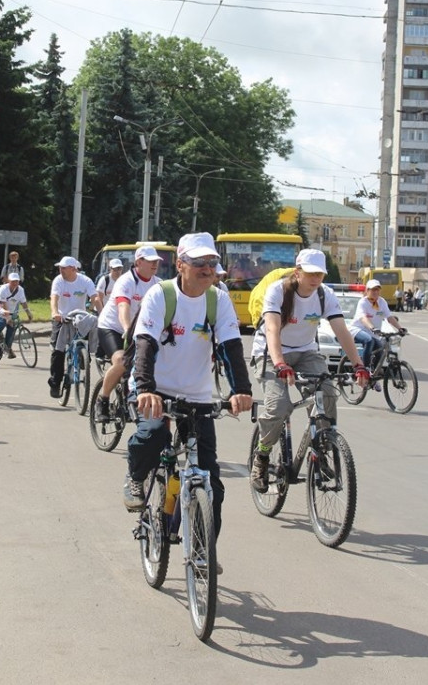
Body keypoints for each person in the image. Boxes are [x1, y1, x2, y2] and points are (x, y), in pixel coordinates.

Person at [123, 232, 253, 562]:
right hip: (155, 387)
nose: (207, 269)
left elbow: (230, 347)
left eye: (212, 262)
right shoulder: (161, 295)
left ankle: (201, 552)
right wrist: (145, 388)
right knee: (153, 434)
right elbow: (145, 344)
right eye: (199, 262)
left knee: (211, 481)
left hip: (196, 394)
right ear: (181, 265)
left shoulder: (218, 300)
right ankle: (136, 477)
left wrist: (242, 390)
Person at [249, 248, 369, 494]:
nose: (316, 279)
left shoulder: (325, 295)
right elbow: (272, 329)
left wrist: (358, 365)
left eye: (320, 274)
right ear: (298, 272)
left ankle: (322, 447)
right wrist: (280, 363)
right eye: (311, 273)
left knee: (327, 393)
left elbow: (341, 330)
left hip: (305, 352)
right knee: (279, 406)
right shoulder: (278, 291)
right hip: (271, 353)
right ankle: (262, 456)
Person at [95, 247, 162, 422]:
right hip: (113, 327)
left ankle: (130, 398)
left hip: (139, 331)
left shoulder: (158, 284)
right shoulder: (126, 281)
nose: (155, 264)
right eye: (150, 261)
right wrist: (127, 328)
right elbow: (123, 307)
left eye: (156, 261)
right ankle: (103, 400)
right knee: (121, 361)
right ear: (138, 262)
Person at [49, 256, 101, 398]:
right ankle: (55, 383)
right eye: (60, 268)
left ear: (73, 269)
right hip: (62, 317)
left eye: (64, 268)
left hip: (79, 317)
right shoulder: (58, 281)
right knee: (57, 351)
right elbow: (54, 298)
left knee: (90, 329)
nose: (61, 270)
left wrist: (102, 314)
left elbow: (95, 297)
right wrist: (55, 313)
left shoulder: (85, 281)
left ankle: (84, 357)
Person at [349, 278, 405, 373]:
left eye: (377, 289)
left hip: (373, 332)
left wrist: (400, 328)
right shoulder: (363, 302)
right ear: (367, 291)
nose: (375, 292)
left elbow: (389, 317)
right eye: (373, 290)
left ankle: (373, 373)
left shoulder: (382, 302)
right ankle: (364, 370)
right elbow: (363, 318)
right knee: (369, 341)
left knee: (380, 349)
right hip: (358, 329)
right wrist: (373, 328)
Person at [0, 273, 33, 358]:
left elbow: (23, 302)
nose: (15, 283)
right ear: (9, 281)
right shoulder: (3, 289)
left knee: (12, 329)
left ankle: (8, 348)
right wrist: (8, 318)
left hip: (13, 311)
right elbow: (3, 303)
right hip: (2, 311)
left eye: (16, 281)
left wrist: (28, 313)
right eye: (13, 281)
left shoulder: (20, 290)